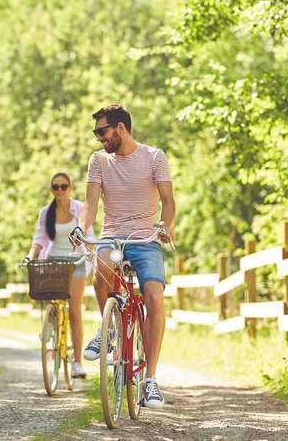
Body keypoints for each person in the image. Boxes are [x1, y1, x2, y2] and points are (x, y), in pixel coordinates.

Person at [73, 104, 175, 409]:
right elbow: (90, 203)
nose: (98, 139)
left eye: (101, 132)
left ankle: (150, 380)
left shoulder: (154, 157)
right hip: (112, 235)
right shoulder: (99, 161)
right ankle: (111, 328)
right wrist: (82, 228)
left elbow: (169, 201)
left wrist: (165, 226)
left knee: (154, 296)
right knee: (100, 267)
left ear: (120, 128)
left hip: (146, 239)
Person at [24, 172, 95, 380]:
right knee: (50, 301)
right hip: (54, 260)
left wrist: (90, 252)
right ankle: (50, 326)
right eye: (56, 187)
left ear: (70, 188)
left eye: (64, 186)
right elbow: (39, 237)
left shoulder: (80, 209)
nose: (60, 190)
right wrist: (30, 255)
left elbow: (89, 236)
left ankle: (77, 364)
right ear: (51, 189)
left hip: (76, 262)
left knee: (74, 311)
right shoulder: (46, 212)